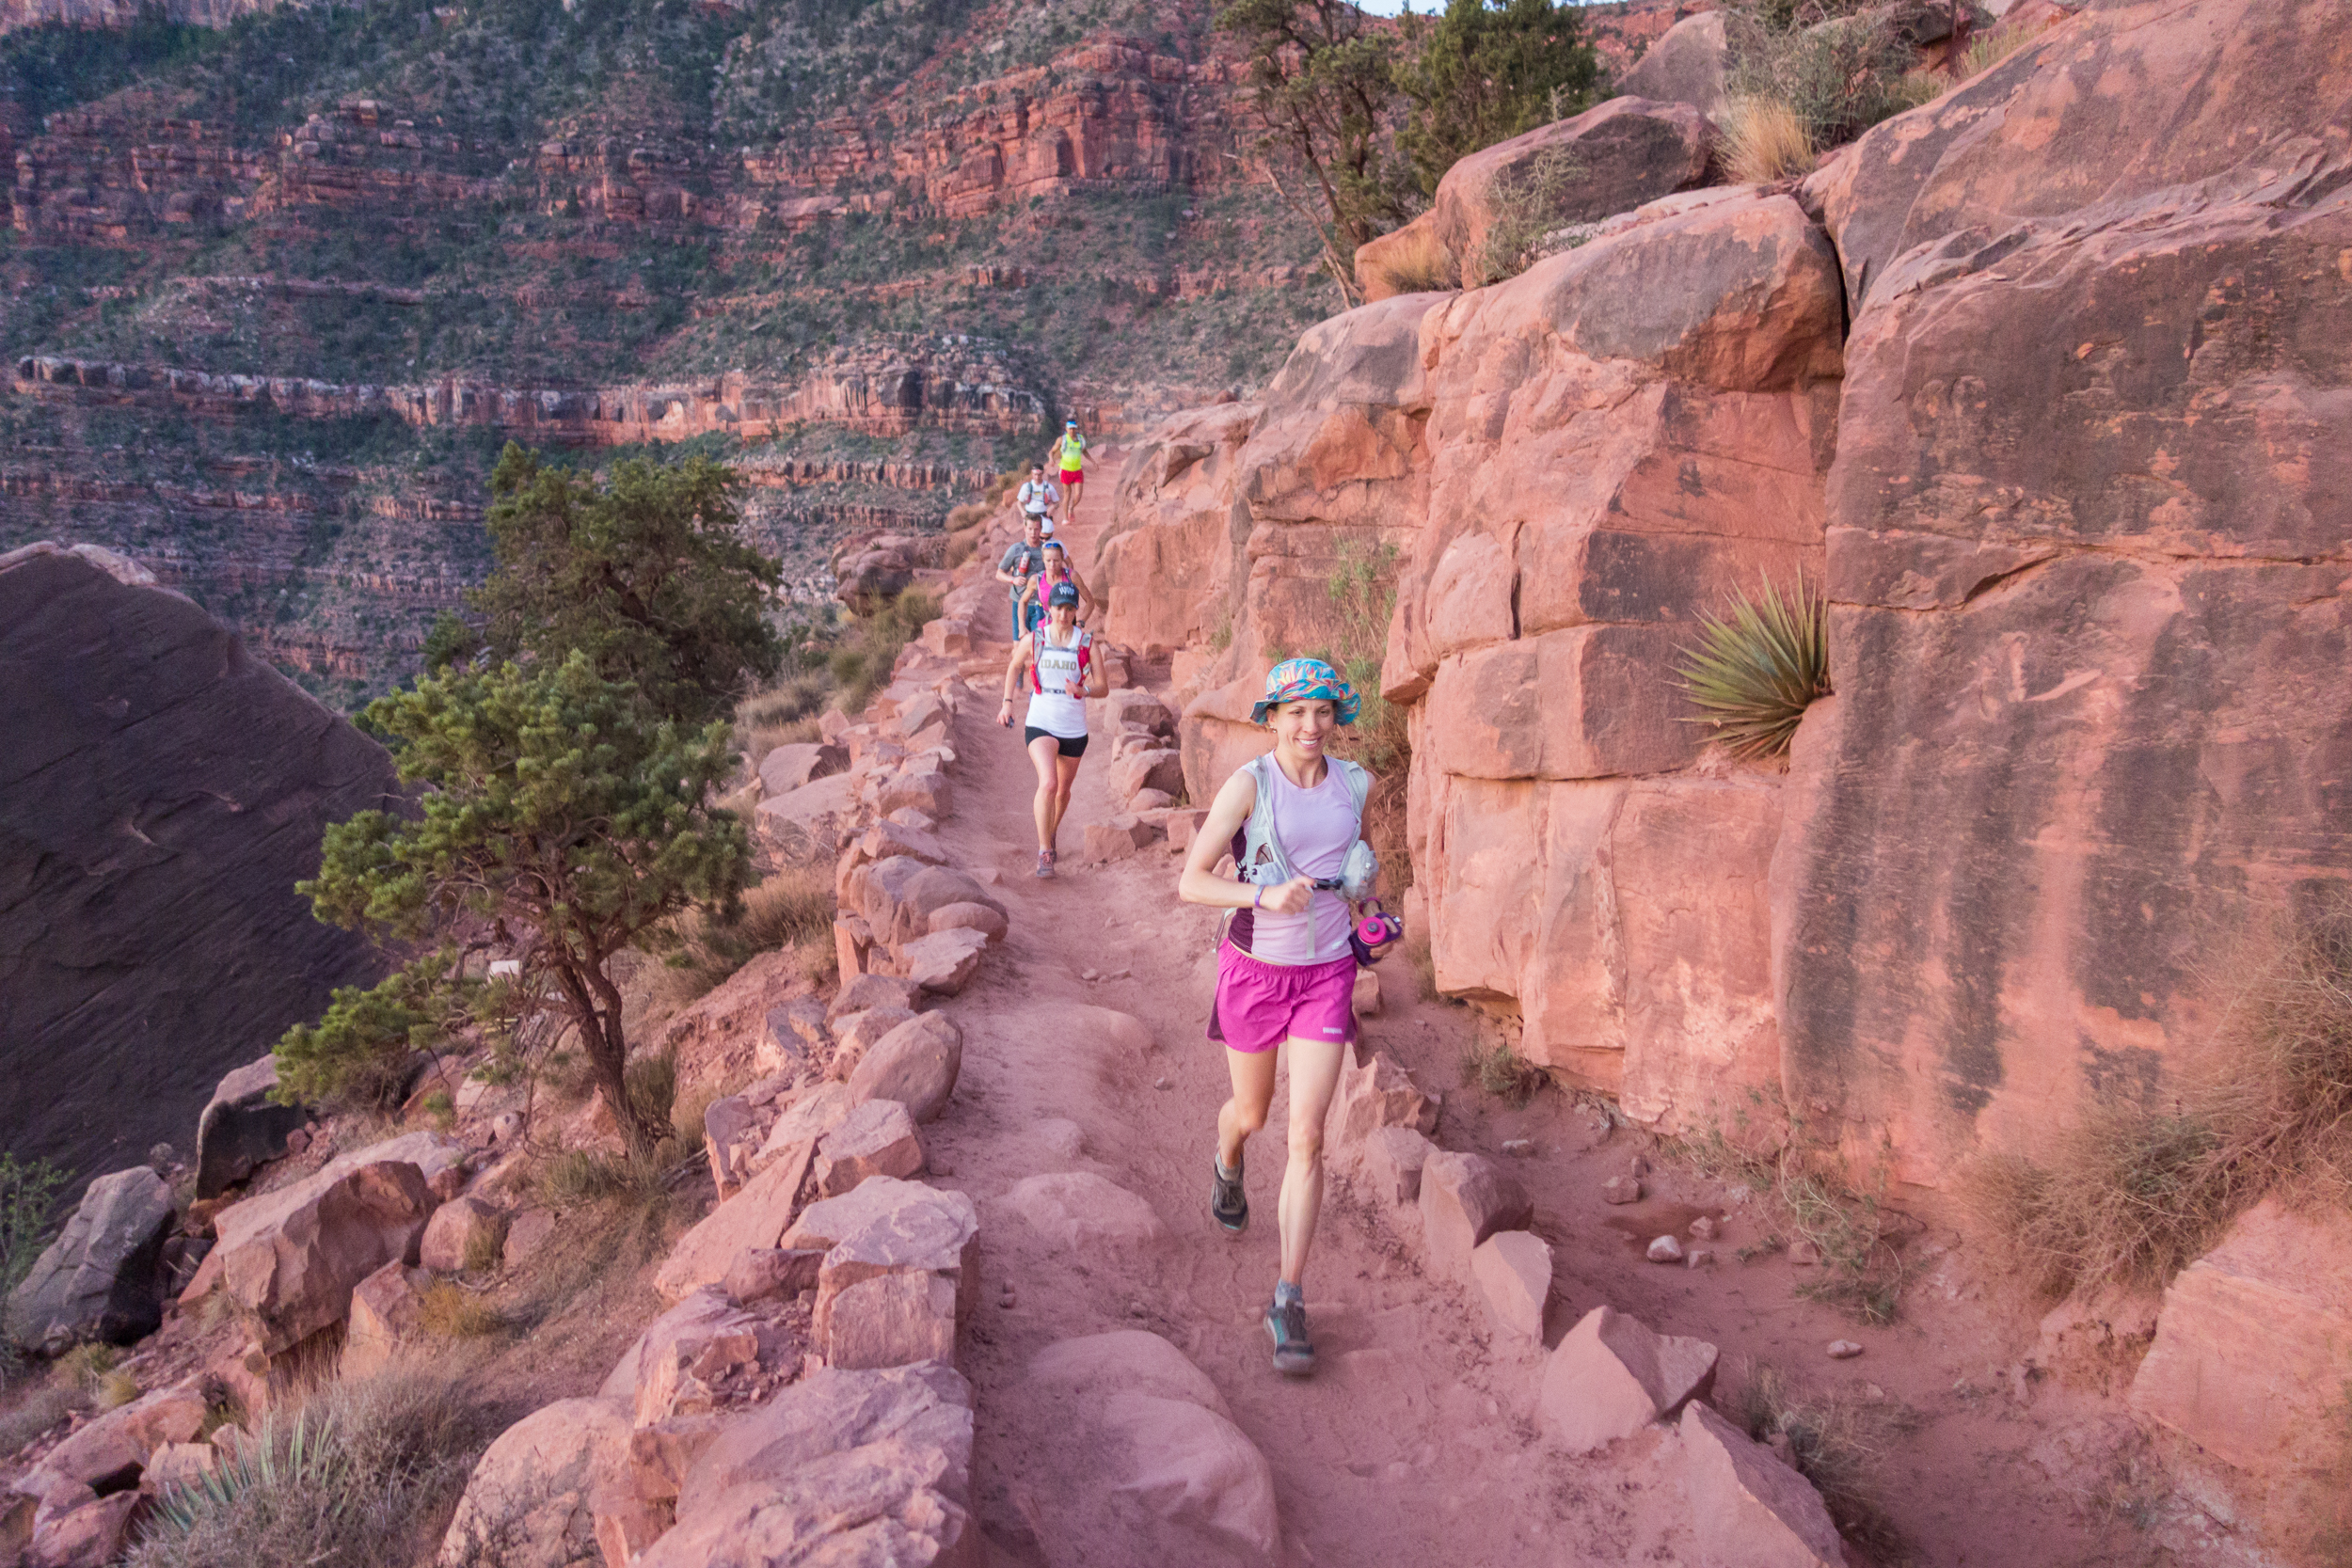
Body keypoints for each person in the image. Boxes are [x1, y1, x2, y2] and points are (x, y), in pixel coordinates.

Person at [1177, 657, 1396, 1378]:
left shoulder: (1354, 783)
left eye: (1323, 711)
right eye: (1295, 711)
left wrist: (1370, 917)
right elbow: (1192, 880)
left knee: (1308, 1136)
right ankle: (1227, 1155)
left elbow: (1354, 871)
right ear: (1272, 718)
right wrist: (1260, 898)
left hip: (1327, 976)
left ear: (1337, 718)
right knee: (1253, 1111)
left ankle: (1288, 1297)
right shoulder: (1250, 786)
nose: (1310, 725)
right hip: (1254, 973)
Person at [998, 581, 1108, 879]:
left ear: (1075, 612)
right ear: (1050, 608)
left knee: (1063, 790)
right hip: (1041, 721)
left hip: (1073, 726)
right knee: (1048, 783)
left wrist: (1084, 689)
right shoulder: (1036, 639)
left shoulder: (1086, 644)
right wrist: (1007, 703)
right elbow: (1014, 666)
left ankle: (1052, 829)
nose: (1063, 613)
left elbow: (1103, 687)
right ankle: (1044, 850)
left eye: (1070, 608)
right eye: (1059, 607)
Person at [1015, 539, 1101, 635]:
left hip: (1068, 628)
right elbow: (1023, 601)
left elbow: (1090, 601)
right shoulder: (1036, 580)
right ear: (1043, 559)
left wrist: (1081, 622)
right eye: (1048, 560)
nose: (1052, 565)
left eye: (1056, 560)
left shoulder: (1071, 577)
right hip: (1046, 627)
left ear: (1062, 559)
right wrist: (1021, 626)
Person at [993, 512, 1049, 642]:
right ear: (1024, 529)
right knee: (1018, 647)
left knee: (1039, 644)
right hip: (1019, 603)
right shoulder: (1016, 550)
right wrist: (1013, 580)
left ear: (1040, 529)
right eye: (1029, 529)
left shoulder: (1046, 551)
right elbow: (999, 573)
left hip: (1039, 604)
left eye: (1036, 529)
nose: (1033, 533)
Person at [1052, 418, 1089, 525]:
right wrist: (1051, 459)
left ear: (1076, 429)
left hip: (1077, 470)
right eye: (1070, 429)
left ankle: (1071, 508)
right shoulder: (1062, 439)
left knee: (1078, 495)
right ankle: (1065, 518)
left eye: (1074, 428)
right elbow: (1052, 451)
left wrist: (1093, 462)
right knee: (1067, 494)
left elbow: (1085, 451)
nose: (1072, 431)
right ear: (1066, 429)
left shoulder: (1081, 439)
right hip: (1065, 470)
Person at [1016, 464, 1060, 531]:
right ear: (1032, 473)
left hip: (1043, 516)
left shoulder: (1049, 487)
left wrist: (1052, 507)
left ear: (1042, 473)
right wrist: (1022, 511)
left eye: (1039, 475)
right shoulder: (1026, 487)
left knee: (1045, 536)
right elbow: (1019, 502)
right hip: (1030, 516)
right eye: (1035, 474)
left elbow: (1057, 502)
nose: (1037, 477)